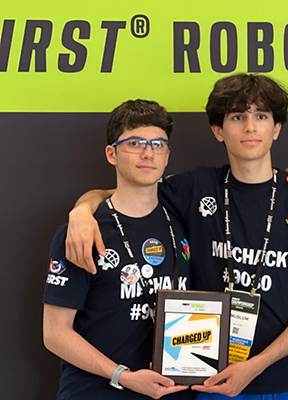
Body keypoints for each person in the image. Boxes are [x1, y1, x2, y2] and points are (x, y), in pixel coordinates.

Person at [64, 74, 288, 400]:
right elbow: (126, 191)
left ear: (276, 128)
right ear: (218, 130)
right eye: (237, 117)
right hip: (213, 379)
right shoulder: (196, 187)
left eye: (262, 116)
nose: (250, 127)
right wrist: (82, 210)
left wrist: (257, 365)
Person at [43, 100, 191, 399]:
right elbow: (55, 334)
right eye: (135, 143)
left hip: (172, 391)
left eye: (158, 144)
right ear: (112, 154)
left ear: (167, 155)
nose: (148, 153)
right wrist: (122, 376)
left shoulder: (182, 218)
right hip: (97, 392)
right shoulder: (83, 232)